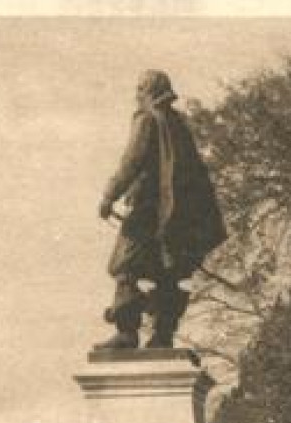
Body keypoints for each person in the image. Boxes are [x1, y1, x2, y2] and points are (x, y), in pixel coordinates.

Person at [96, 69, 226, 350]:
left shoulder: (147, 120)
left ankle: (127, 332)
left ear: (149, 92)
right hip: (177, 216)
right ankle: (162, 335)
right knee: (166, 273)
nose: (136, 96)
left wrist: (109, 196)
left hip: (147, 209)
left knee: (124, 266)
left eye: (139, 90)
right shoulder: (178, 123)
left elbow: (131, 161)